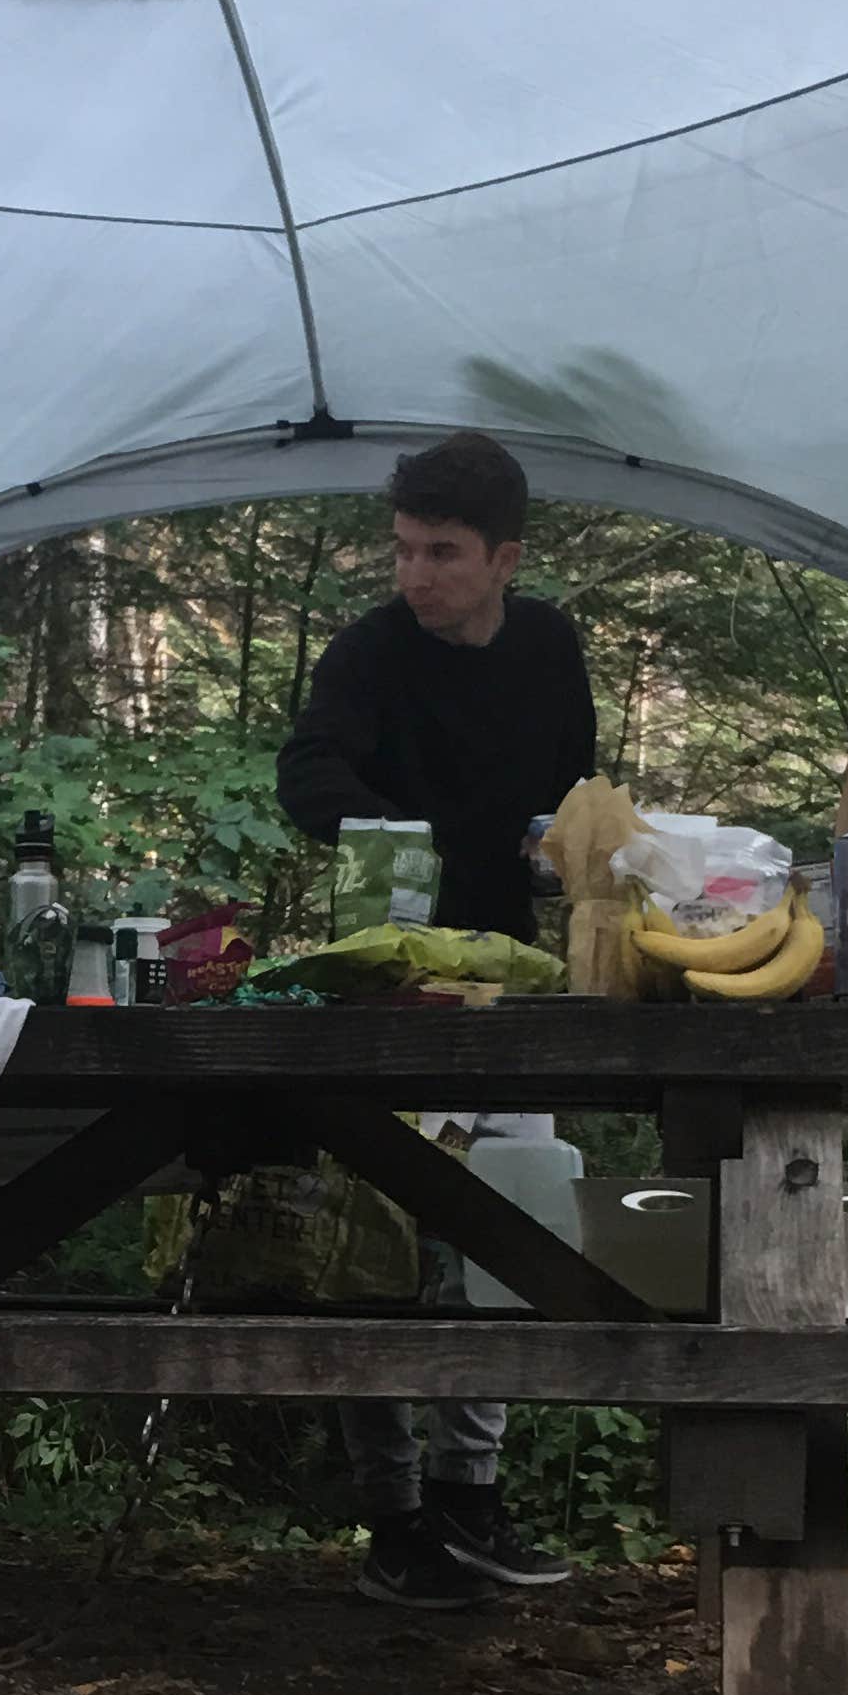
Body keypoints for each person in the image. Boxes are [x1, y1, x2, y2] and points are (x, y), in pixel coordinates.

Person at [277, 430, 597, 1612]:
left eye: (444, 554)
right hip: (392, 975)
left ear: (506, 557)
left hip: (509, 971)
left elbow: (571, 786)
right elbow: (307, 775)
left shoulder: (551, 646)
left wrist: (563, 846)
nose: (417, 575)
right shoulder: (368, 653)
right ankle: (393, 1513)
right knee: (377, 1233)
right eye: (405, 549)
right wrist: (395, 844)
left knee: (514, 1213)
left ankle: (472, 1492)